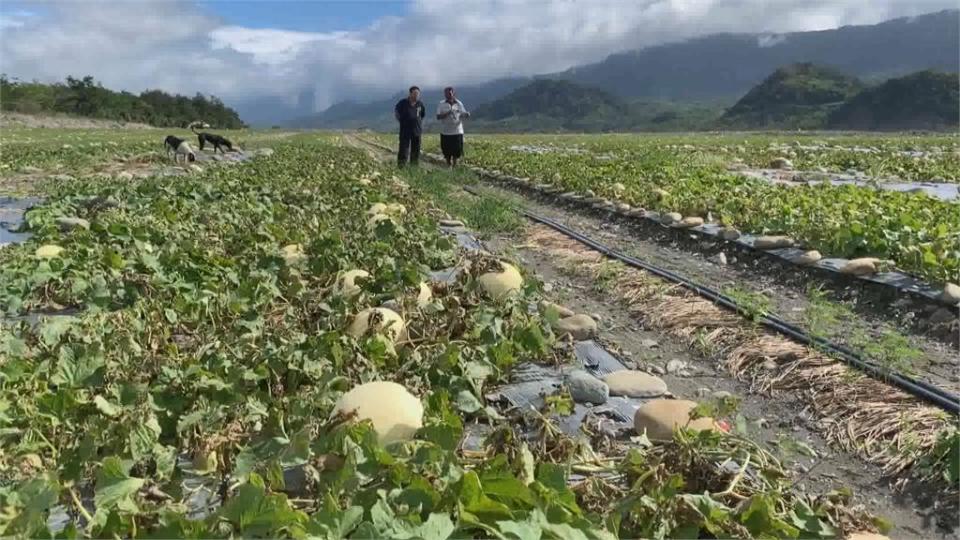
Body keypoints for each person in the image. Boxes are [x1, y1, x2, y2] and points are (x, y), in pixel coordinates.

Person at [436, 86, 470, 167]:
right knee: (447, 150)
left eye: (451, 93)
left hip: (457, 131)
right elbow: (438, 117)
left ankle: (455, 165)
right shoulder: (441, 104)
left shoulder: (459, 103)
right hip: (446, 131)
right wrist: (448, 113)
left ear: (453, 93)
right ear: (445, 94)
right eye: (447, 93)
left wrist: (466, 114)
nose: (449, 94)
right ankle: (448, 165)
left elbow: (463, 114)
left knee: (456, 150)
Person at [394, 86, 425, 167]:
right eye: (415, 93)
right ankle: (401, 167)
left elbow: (422, 115)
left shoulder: (420, 104)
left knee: (416, 150)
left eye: (418, 94)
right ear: (410, 94)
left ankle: (414, 167)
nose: (417, 95)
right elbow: (397, 112)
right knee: (404, 150)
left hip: (417, 131)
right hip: (405, 131)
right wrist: (402, 121)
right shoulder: (403, 103)